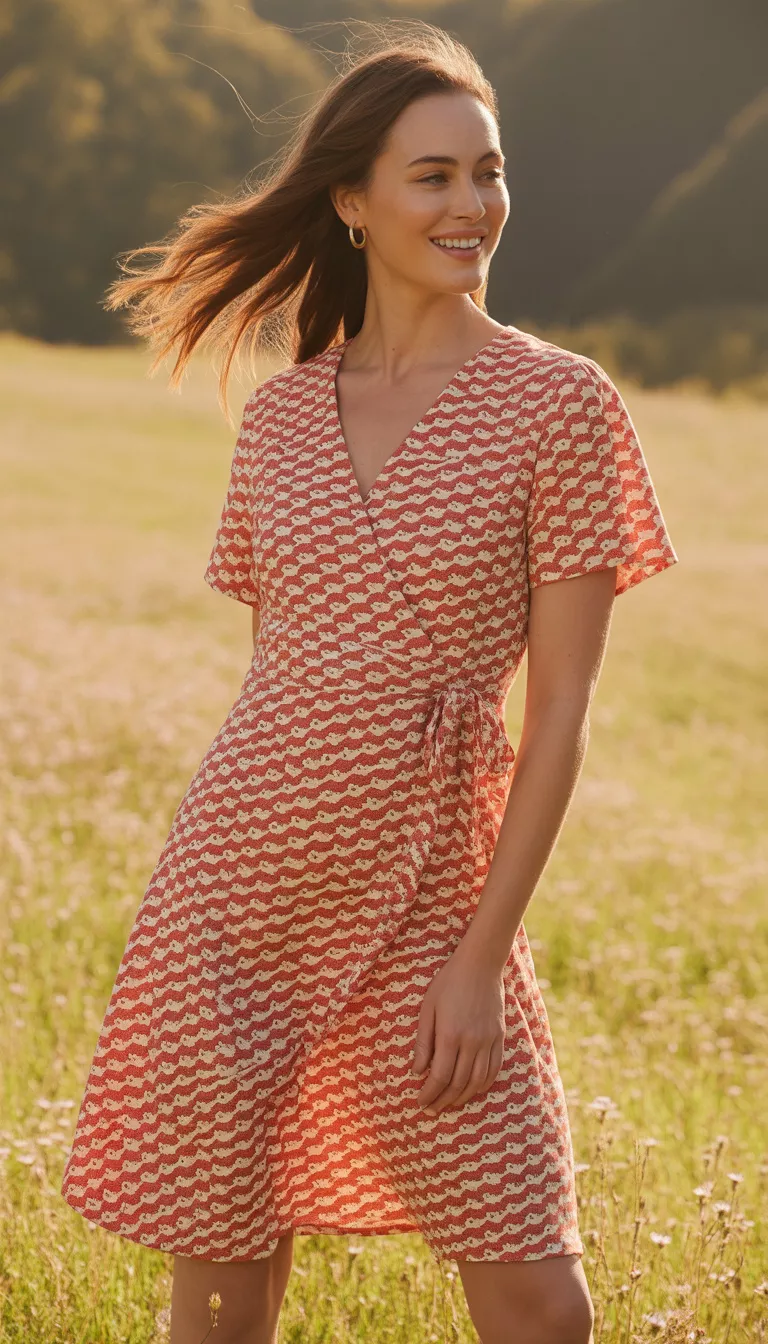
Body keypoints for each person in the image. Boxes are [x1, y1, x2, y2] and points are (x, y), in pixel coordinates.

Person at [61, 20, 678, 1344]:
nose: (475, 206)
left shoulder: (559, 407)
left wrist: (481, 956)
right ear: (352, 201)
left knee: (533, 1292)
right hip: (234, 901)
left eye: (490, 172)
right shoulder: (285, 415)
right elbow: (275, 679)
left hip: (433, 906)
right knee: (221, 1294)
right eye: (436, 176)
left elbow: (557, 716)